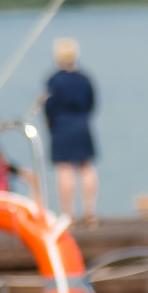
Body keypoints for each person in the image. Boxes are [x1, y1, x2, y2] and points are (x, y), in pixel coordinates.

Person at [43, 39, 98, 223]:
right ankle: (89, 211)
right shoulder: (84, 79)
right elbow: (92, 102)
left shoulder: (54, 80)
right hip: (81, 124)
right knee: (86, 167)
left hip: (61, 126)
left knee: (64, 169)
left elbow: (49, 106)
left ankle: (68, 213)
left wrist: (50, 123)